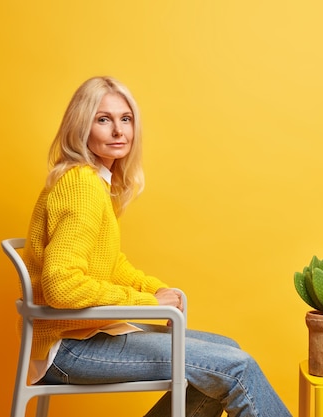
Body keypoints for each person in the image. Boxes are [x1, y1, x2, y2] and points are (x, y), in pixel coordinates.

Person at [21, 76, 292, 417]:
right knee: (236, 367)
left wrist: (157, 289)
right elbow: (61, 285)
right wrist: (149, 303)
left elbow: (109, 262)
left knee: (226, 351)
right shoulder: (82, 186)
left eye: (126, 119)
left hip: (88, 335)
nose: (119, 131)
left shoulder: (93, 183)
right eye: (103, 119)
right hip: (69, 349)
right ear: (81, 127)